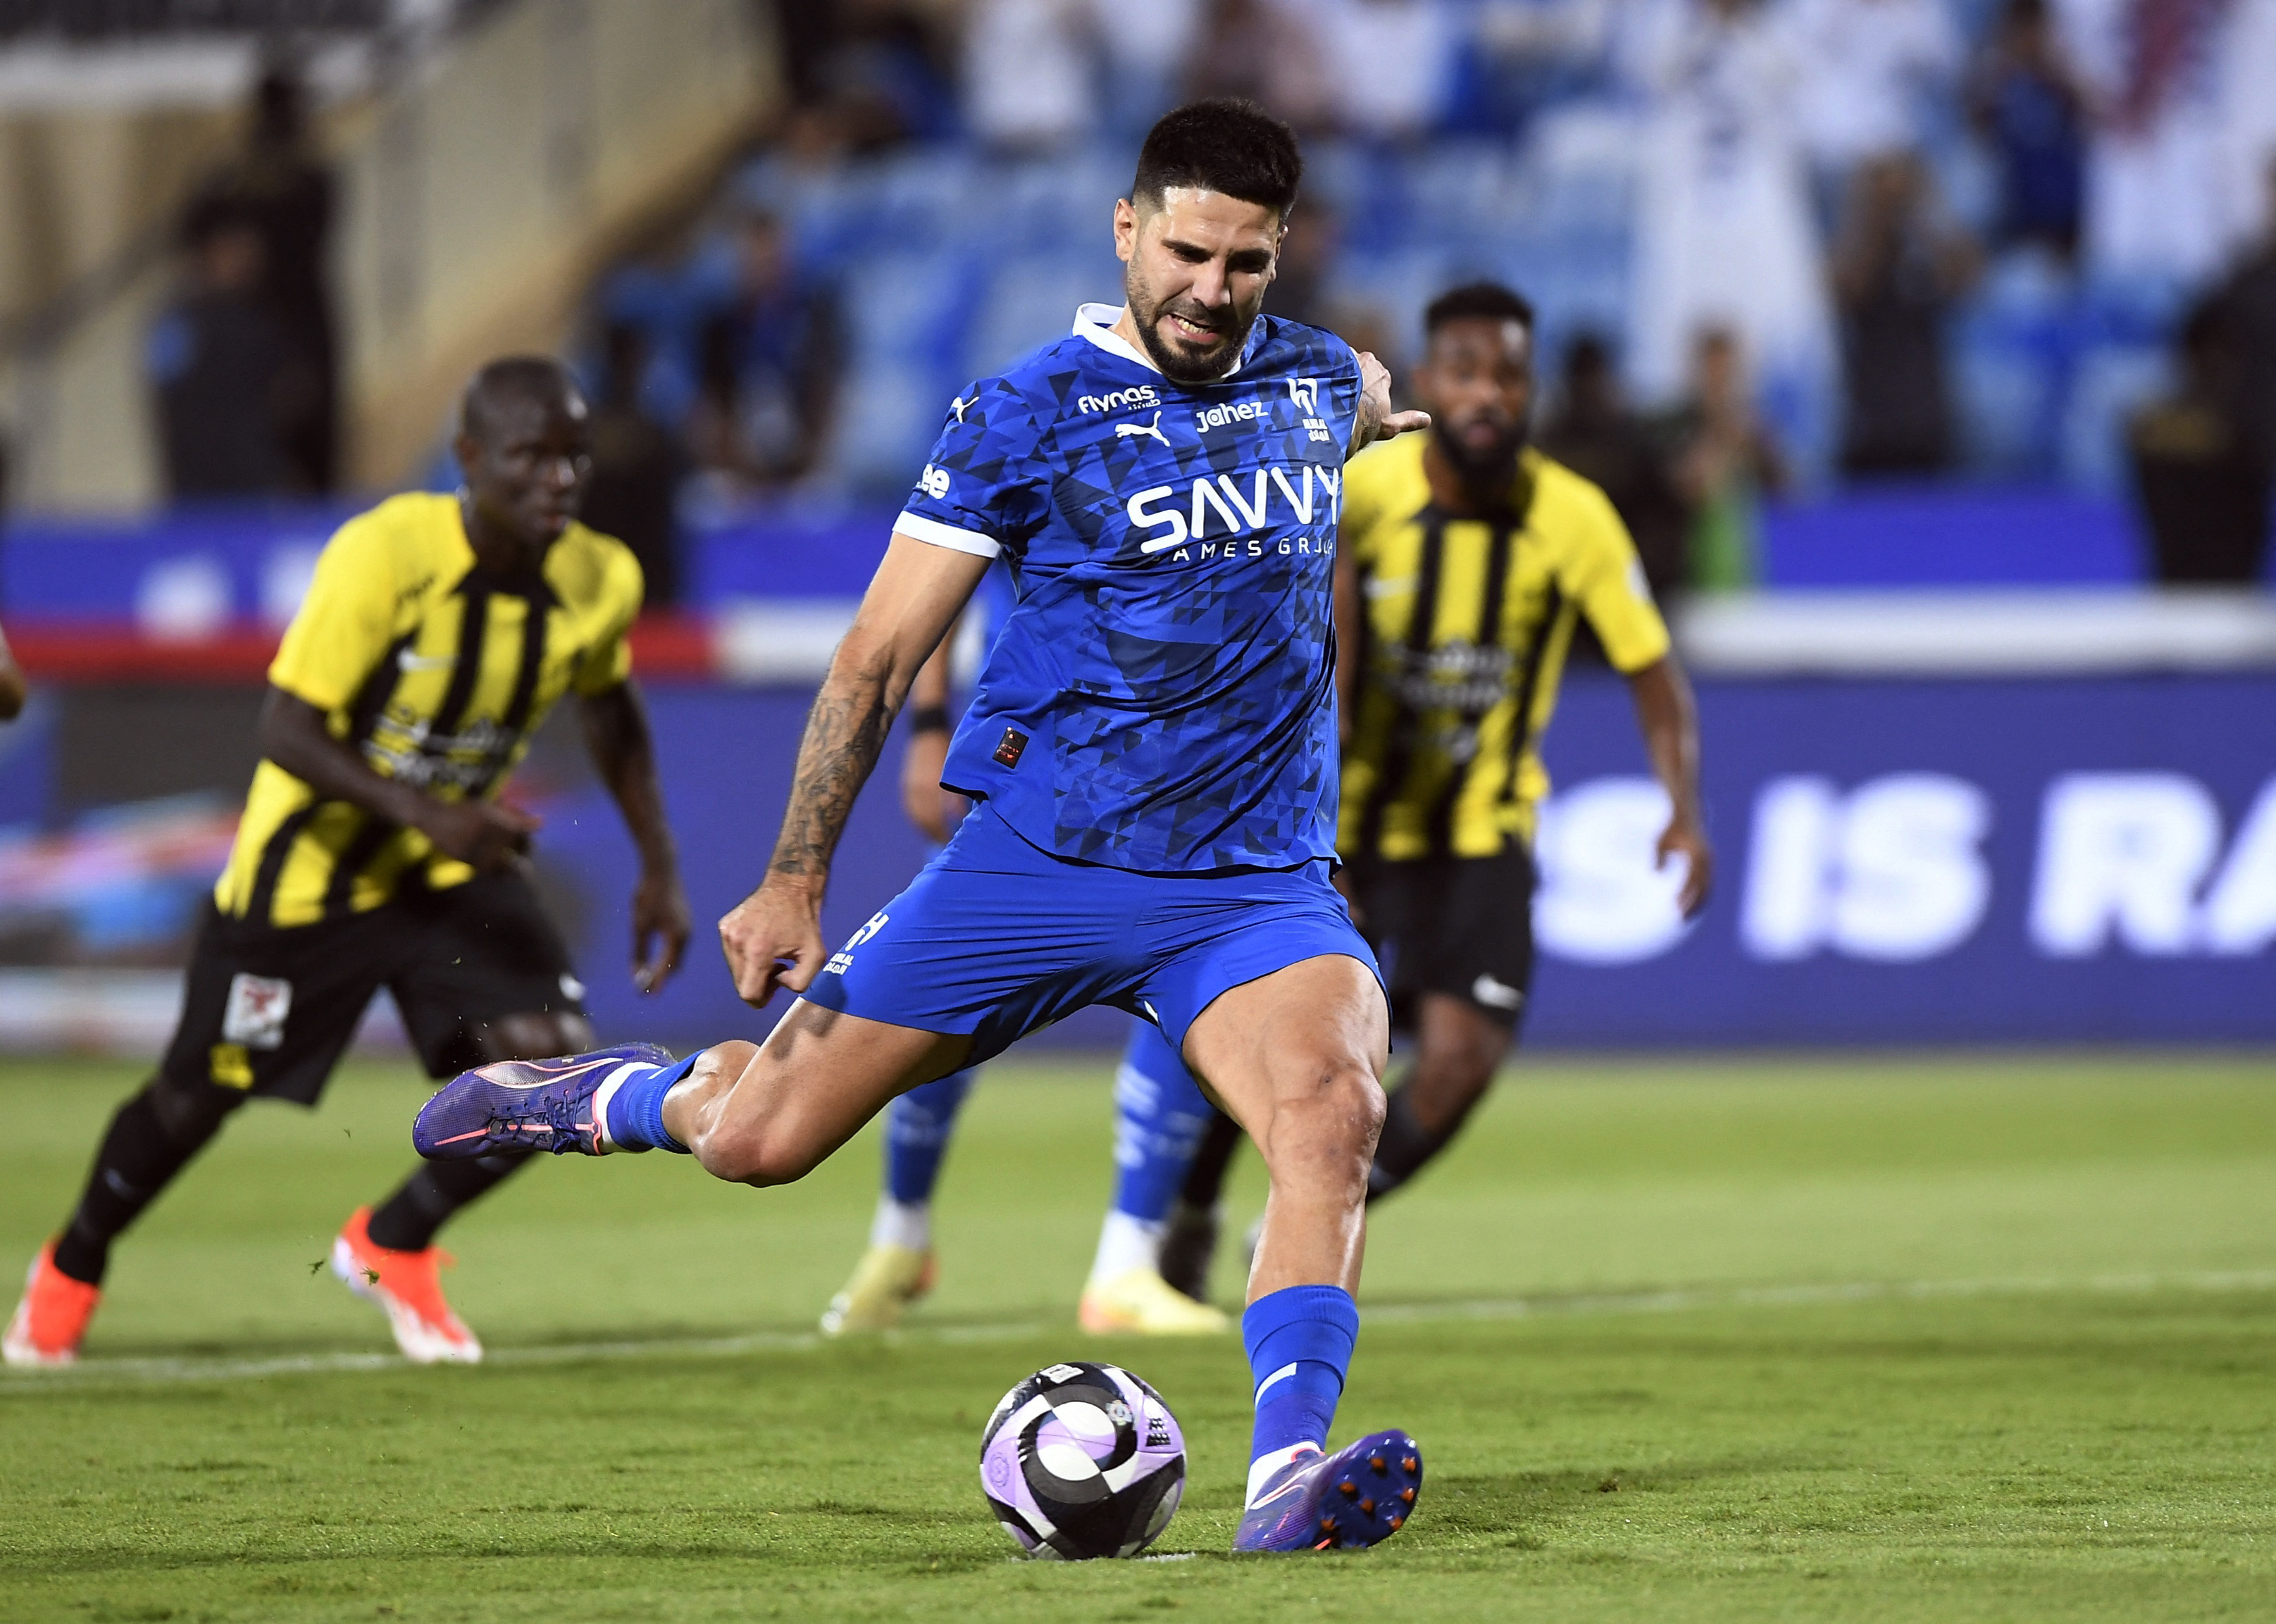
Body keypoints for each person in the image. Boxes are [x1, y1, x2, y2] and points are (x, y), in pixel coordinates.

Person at [412, 99, 1429, 1554]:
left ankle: (1284, 1480)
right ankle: (611, 1100)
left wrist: (1379, 405)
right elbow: (877, 659)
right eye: (1190, 252)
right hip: (1036, 869)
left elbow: (1358, 400)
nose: (1212, 290)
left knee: (1331, 1118)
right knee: (756, 1142)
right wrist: (791, 876)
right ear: (1127, 230)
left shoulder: (1316, 382)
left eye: (1247, 265)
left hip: (1250, 886)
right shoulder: (1021, 414)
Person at [4, 358, 692, 1369]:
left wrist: (658, 864)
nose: (557, 479)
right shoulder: (384, 555)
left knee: (549, 1065)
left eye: (573, 458)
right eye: (530, 456)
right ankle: (72, 1261)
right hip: (312, 875)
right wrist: (425, 810)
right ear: (467, 459)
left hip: (452, 871)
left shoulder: (600, 576)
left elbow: (610, 709)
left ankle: (393, 1242)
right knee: (199, 1095)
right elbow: (286, 724)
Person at [1158, 282, 1714, 1292]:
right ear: (1426, 380)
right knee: (1278, 1046)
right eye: (1463, 371)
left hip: (1479, 829)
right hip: (1348, 826)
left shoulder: (1572, 516)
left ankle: (1298, 1221)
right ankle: (1192, 1201)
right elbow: (1291, 648)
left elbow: (1652, 672)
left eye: (1505, 373)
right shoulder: (1362, 494)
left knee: (1459, 1064)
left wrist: (1682, 807)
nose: (1484, 395)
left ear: (1528, 386)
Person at [820, 597, 1230, 1339]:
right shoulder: (1031, 475)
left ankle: (1127, 1264)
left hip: (1178, 769)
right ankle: (899, 1234)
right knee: (933, 1001)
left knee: (1197, 980)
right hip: (1025, 769)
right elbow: (943, 569)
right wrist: (929, 724)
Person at [1831, 152, 1979, 478]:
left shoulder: (1925, 252)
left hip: (1927, 420)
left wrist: (1924, 212)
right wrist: (1875, 216)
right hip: (1870, 423)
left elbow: (1969, 278)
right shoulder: (1856, 250)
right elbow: (1848, 290)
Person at [149, 197, 308, 499]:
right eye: (239, 245)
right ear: (209, 251)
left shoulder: (257, 316)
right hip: (203, 497)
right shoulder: (179, 323)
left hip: (254, 490)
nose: (251, 256)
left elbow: (293, 392)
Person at [2127, 299, 2272, 584]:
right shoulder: (2151, 428)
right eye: (2216, 355)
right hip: (2174, 597)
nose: (2223, 368)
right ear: (2191, 355)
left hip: (2238, 598)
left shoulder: (2250, 430)